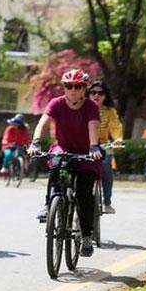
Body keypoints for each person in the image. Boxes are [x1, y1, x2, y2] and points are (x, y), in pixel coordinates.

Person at [28, 68, 102, 257]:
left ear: (84, 88)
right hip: (64, 147)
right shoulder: (57, 103)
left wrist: (94, 147)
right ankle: (49, 204)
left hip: (86, 153)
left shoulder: (91, 106)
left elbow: (93, 125)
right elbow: (43, 123)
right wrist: (36, 142)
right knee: (55, 162)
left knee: (84, 194)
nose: (73, 90)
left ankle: (86, 237)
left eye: (78, 86)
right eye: (68, 86)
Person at [89, 81, 123, 214]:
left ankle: (107, 202)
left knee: (106, 163)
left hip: (105, 143)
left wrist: (118, 139)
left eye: (100, 93)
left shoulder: (110, 111)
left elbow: (116, 127)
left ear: (105, 96)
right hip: (84, 143)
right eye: (93, 92)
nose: (96, 95)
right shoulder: (82, 108)